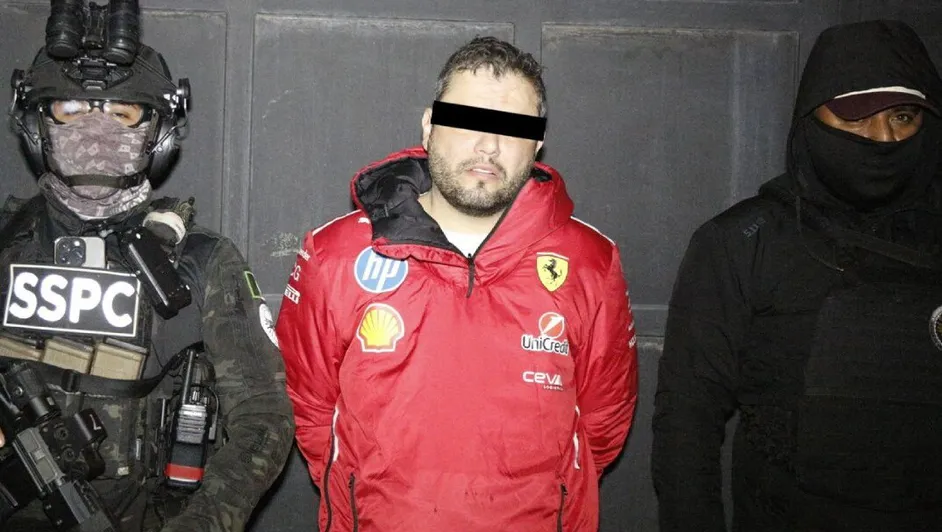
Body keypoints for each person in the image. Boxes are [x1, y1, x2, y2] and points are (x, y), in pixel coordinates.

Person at [276, 36, 638, 531]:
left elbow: (603, 423)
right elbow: (309, 409)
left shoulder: (590, 262)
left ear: (536, 145)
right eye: (469, 121)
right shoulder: (335, 254)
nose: (489, 145)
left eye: (512, 128)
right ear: (430, 127)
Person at [0, 1, 294, 531]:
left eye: (122, 113)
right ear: (37, 122)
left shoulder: (202, 260)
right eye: (71, 108)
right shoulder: (7, 244)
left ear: (158, 132)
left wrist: (201, 524)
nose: (95, 130)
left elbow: (263, 417)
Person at [652, 19, 942, 532]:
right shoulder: (744, 241)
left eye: (902, 116)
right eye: (856, 117)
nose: (883, 138)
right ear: (812, 120)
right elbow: (688, 419)